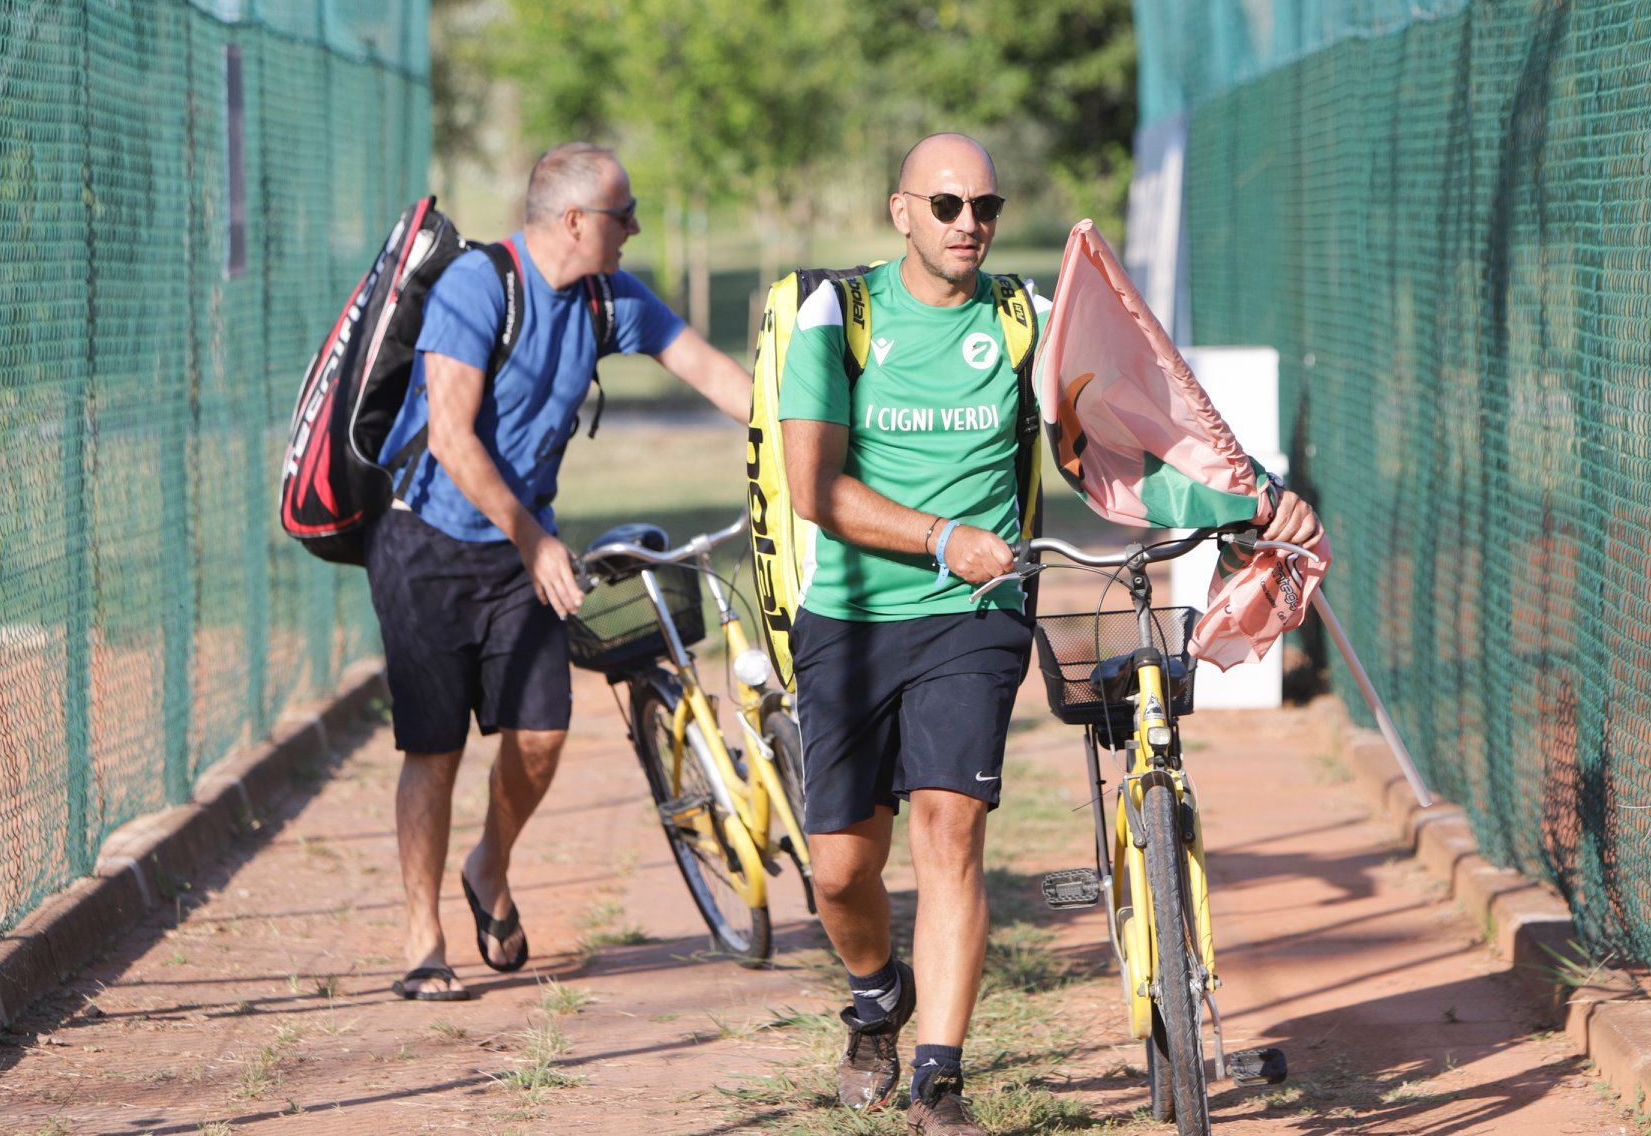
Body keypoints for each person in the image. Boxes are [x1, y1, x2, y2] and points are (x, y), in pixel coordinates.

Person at [779, 133, 1322, 1135]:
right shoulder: (841, 313)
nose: (968, 223)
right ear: (900, 210)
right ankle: (875, 996)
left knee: (951, 834)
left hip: (975, 619)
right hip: (850, 619)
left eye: (983, 204)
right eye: (945, 205)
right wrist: (944, 536)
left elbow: (1108, 454)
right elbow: (816, 489)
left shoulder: (1025, 319)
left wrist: (1248, 504)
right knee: (841, 868)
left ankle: (938, 1078)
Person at [369, 142, 751, 1001]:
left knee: (539, 736)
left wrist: (794, 436)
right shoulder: (478, 286)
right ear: (575, 221)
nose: (636, 229)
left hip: (521, 548)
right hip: (426, 542)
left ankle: (489, 868)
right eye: (626, 214)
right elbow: (451, 438)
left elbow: (709, 369)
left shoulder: (608, 296)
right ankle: (423, 940)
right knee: (434, 750)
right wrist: (534, 541)